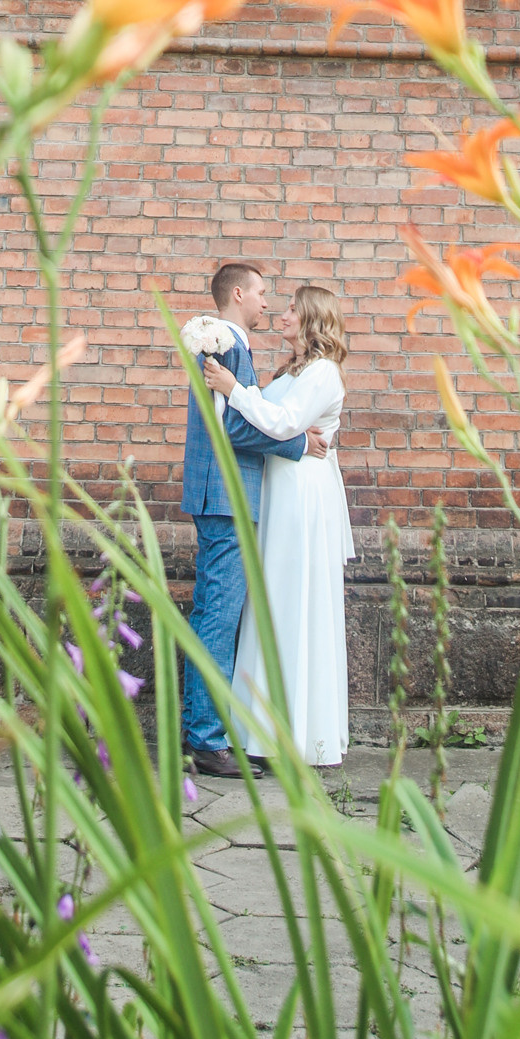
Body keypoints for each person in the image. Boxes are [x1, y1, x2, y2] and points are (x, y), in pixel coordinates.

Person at [201, 282, 352, 767]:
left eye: (291, 309)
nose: (281, 315)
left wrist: (233, 390)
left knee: (293, 602)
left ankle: (295, 733)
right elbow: (273, 421)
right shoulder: (293, 370)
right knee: (272, 603)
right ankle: (260, 729)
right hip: (280, 492)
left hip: (301, 498)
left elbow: (284, 423)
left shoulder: (324, 373)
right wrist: (247, 397)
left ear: (311, 321)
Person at [179, 261, 318, 778]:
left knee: (214, 609)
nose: (266, 303)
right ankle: (206, 740)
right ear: (238, 293)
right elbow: (234, 429)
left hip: (216, 492)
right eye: (261, 293)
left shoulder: (222, 343)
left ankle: (201, 730)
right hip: (228, 494)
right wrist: (301, 444)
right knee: (219, 611)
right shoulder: (230, 345)